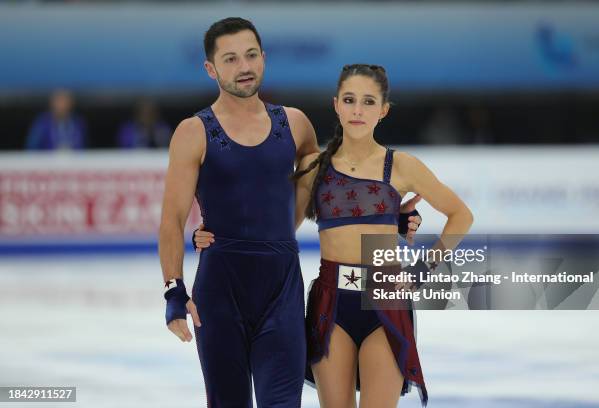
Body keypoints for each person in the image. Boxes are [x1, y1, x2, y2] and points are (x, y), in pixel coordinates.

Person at [195, 64, 469, 407]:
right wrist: (212, 233)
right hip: (331, 303)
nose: (358, 110)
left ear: (383, 110)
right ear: (336, 104)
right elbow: (276, 229)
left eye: (369, 102)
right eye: (350, 100)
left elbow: (461, 215)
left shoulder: (402, 166)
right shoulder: (314, 167)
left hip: (384, 301)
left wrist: (421, 269)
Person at [158, 17, 320, 407]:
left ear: (263, 58)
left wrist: (392, 217)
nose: (244, 67)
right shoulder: (193, 132)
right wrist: (173, 290)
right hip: (219, 291)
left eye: (250, 56)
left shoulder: (295, 125)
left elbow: (327, 182)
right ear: (211, 69)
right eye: (230, 59)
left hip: (281, 287)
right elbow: (172, 218)